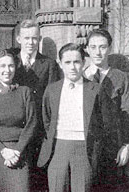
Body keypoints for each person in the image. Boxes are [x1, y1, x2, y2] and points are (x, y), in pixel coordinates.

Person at [38, 43, 103, 192]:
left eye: (76, 62)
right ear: (60, 64)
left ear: (84, 63)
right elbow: (47, 120)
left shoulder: (95, 89)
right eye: (67, 62)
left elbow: (103, 123)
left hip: (84, 150)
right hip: (58, 148)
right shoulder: (52, 89)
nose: (72, 67)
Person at [0, 49, 37, 191]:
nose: (7, 70)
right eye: (2, 66)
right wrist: (3, 150)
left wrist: (17, 151)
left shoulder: (25, 92)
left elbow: (32, 123)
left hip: (19, 155)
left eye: (11, 66)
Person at [12, 19, 61, 190]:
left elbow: (53, 100)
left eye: (35, 38)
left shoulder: (49, 64)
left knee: (37, 177)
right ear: (19, 39)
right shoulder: (10, 63)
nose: (31, 42)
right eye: (27, 38)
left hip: (38, 131)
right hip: (15, 130)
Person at [83, 28, 129, 190]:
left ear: (109, 48)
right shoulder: (80, 76)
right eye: (93, 47)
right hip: (85, 149)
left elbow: (127, 113)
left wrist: (126, 145)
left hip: (112, 148)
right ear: (87, 49)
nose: (98, 52)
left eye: (102, 47)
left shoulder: (120, 78)